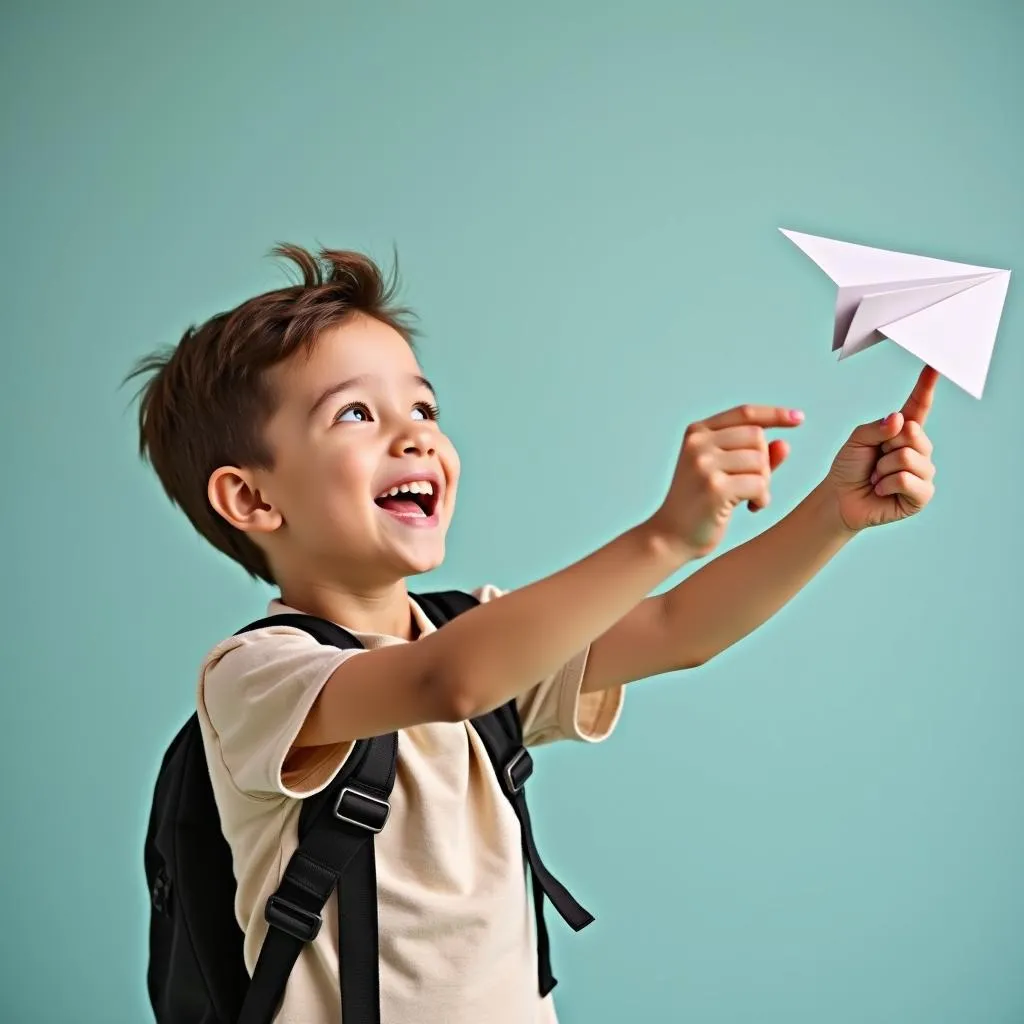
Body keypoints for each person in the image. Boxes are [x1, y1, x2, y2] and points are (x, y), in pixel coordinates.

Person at [130, 243, 938, 1023]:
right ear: (251, 500)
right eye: (353, 413)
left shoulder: (475, 627)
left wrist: (832, 516)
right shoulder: (255, 676)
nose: (415, 435)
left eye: (422, 406)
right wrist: (662, 537)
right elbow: (445, 685)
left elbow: (675, 626)